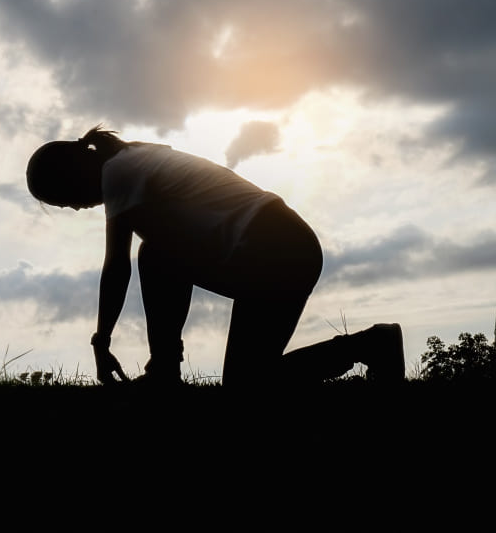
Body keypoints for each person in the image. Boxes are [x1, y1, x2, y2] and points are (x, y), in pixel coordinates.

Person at [26, 126, 405, 387]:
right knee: (247, 384)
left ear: (71, 176)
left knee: (154, 252)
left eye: (63, 200)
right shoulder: (135, 158)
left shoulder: (119, 171)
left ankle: (163, 375)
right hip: (279, 247)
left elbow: (116, 267)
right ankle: (372, 346)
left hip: (275, 247)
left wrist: (101, 342)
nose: (73, 209)